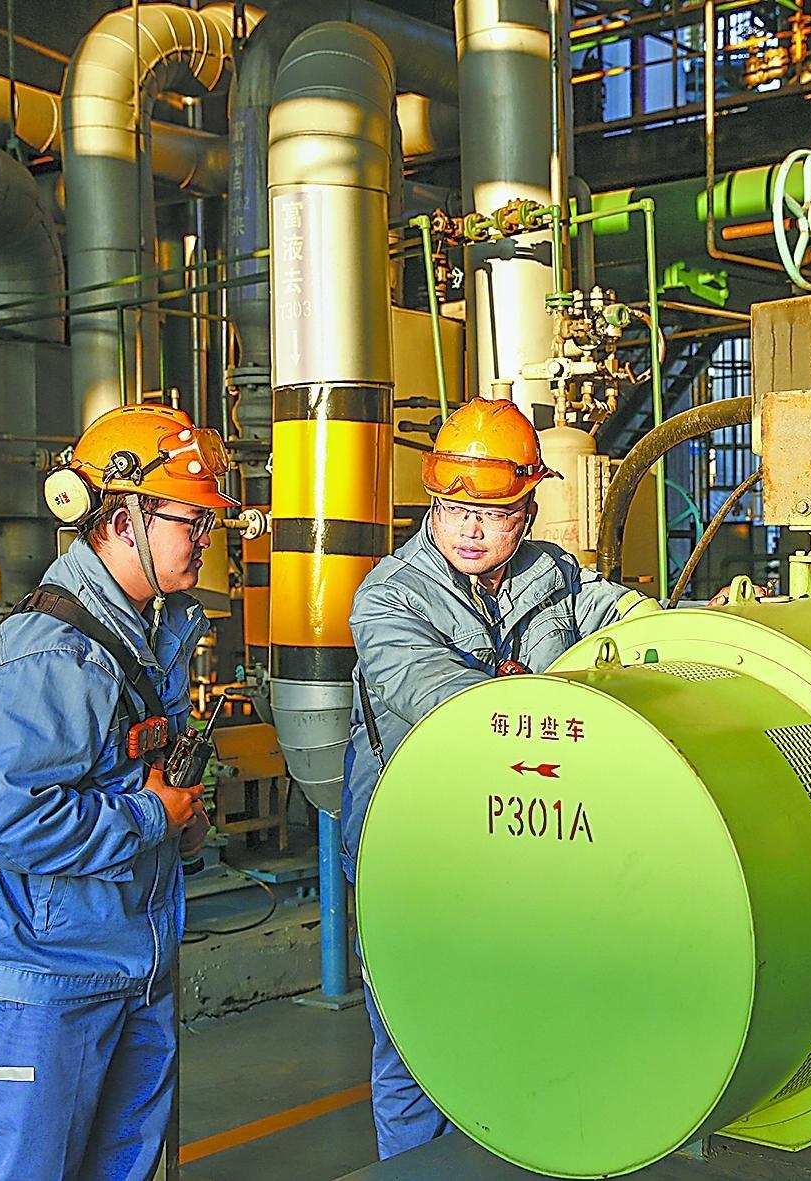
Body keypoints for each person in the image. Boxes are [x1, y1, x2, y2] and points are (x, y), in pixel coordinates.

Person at [341, 396, 659, 1158]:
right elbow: (443, 703)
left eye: (493, 514)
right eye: (455, 510)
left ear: (529, 509)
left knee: (514, 1029)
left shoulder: (552, 575)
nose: (471, 530)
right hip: (415, 853)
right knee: (416, 1042)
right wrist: (542, 703)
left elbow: (630, 622)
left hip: (516, 850)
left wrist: (692, 629)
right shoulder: (387, 597)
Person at [0, 403, 235, 1181]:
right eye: (192, 521)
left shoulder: (146, 635)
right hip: (36, 982)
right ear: (122, 520)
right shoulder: (48, 658)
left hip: (124, 962)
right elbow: (10, 819)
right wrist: (148, 815)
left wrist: (178, 820)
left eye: (208, 522)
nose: (206, 539)